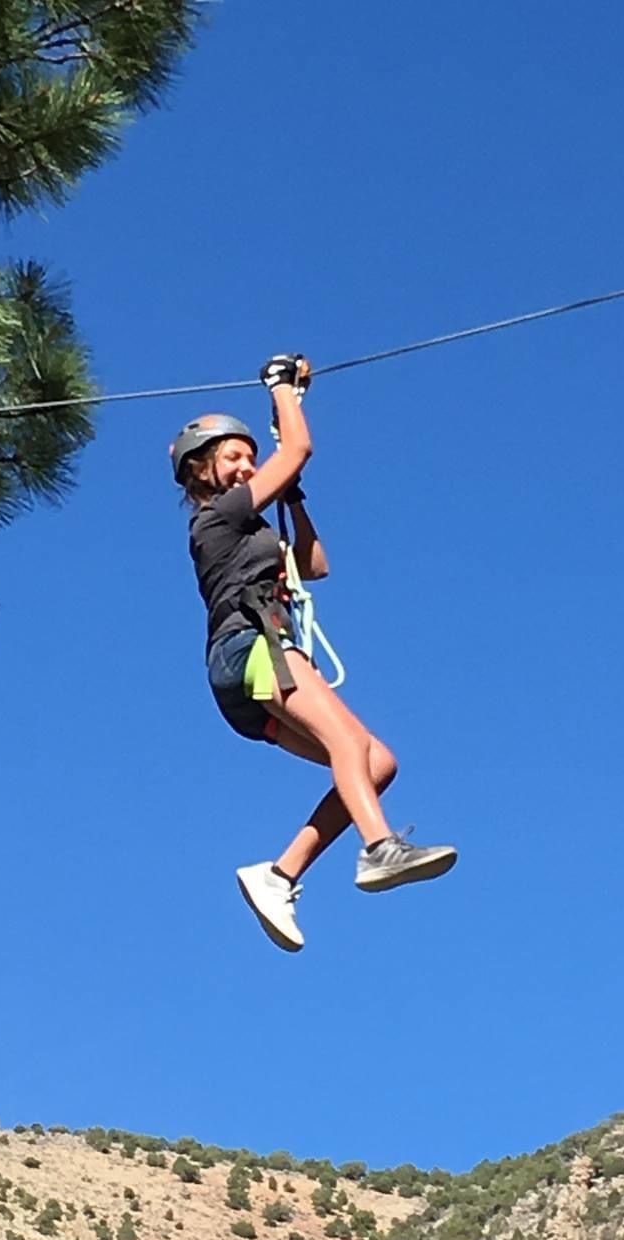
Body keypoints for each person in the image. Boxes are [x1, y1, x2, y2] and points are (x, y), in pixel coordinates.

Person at [171, 353, 457, 953]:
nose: (247, 464)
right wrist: (283, 394)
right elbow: (296, 449)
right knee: (350, 746)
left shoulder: (250, 528)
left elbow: (315, 564)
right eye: (233, 456)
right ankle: (380, 848)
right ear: (201, 471)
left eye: (251, 456)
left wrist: (293, 496)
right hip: (253, 645)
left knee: (376, 765)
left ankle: (279, 875)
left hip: (249, 663)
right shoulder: (216, 517)